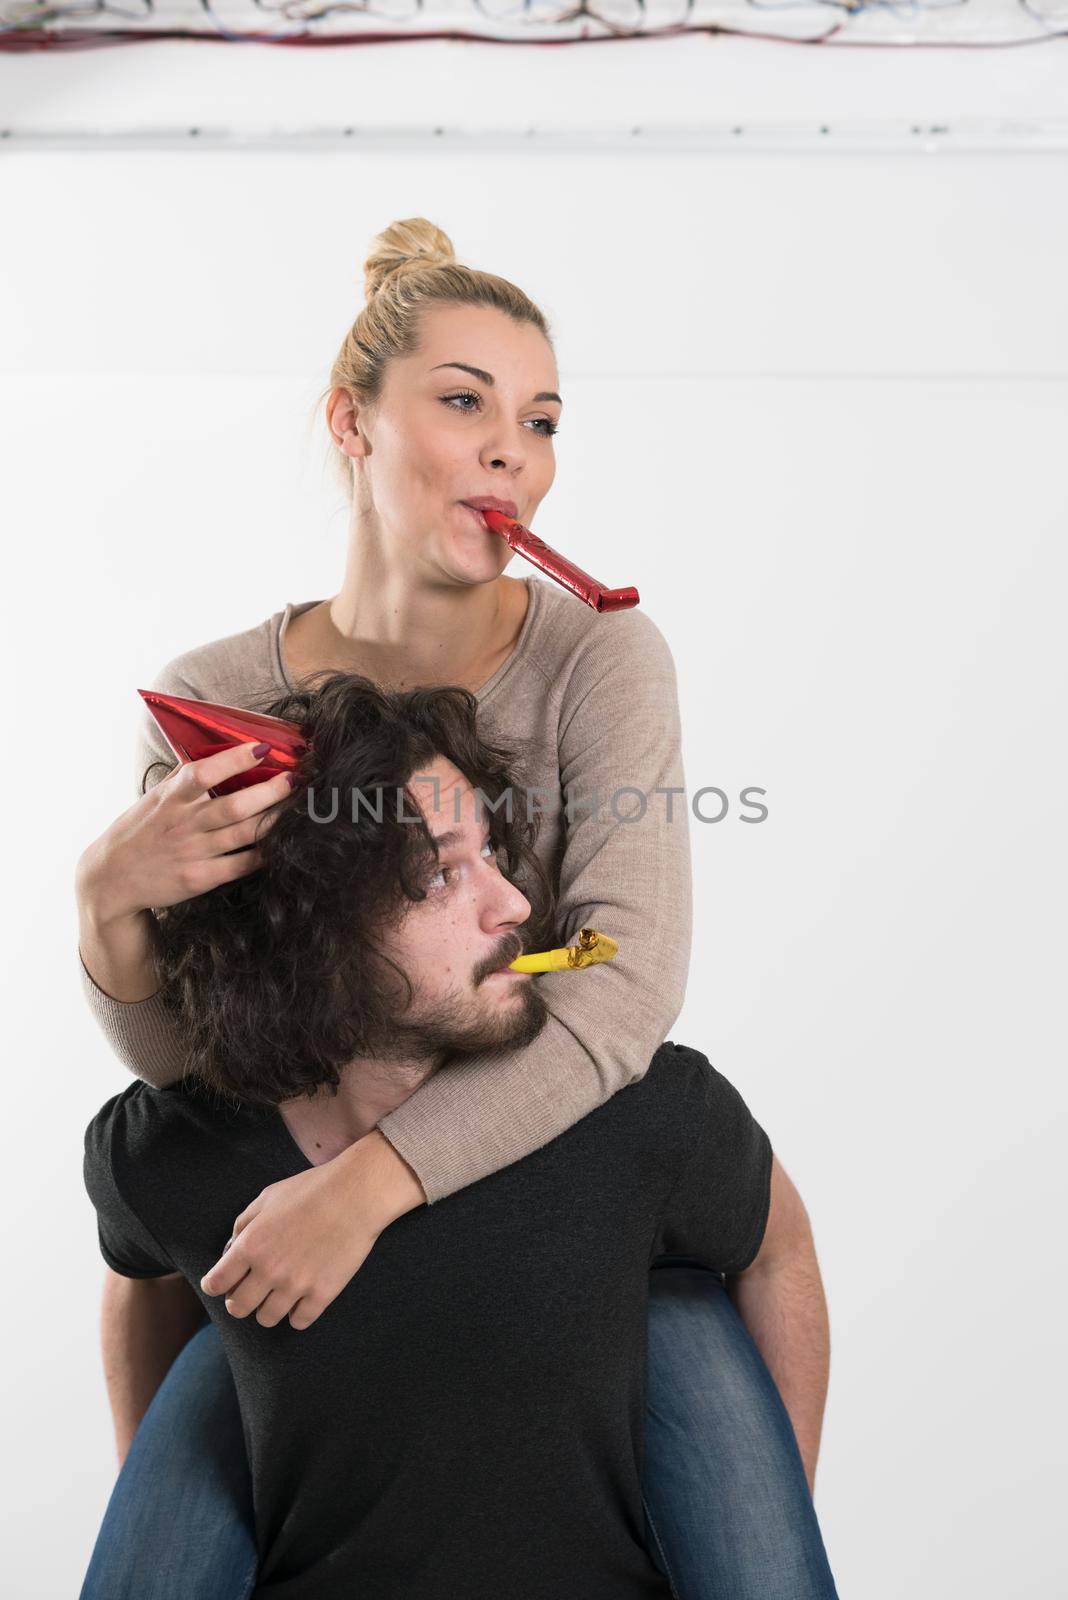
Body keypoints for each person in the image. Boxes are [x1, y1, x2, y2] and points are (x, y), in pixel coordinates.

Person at [76, 216, 838, 1598]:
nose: (514, 453)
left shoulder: (599, 657)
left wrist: (370, 1188)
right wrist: (107, 924)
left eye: (541, 421)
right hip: (299, 1202)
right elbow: (219, 1047)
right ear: (350, 424)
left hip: (568, 1196)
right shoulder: (220, 691)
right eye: (464, 402)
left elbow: (618, 982)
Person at [83, 671, 829, 1599]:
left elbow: (776, 1249)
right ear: (307, 934)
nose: (515, 906)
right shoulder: (165, 1150)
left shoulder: (642, 1113)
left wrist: (767, 1531)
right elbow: (142, 1272)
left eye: (491, 854)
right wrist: (153, 1498)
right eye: (442, 876)